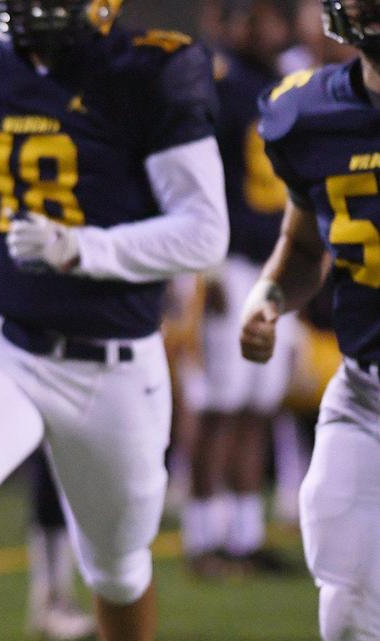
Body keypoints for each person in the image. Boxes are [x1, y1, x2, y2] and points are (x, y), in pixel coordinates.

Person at [0, 2, 229, 641]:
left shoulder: (145, 69)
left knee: (118, 569)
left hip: (115, 357)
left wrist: (83, 249)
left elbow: (204, 231)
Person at [242, 1, 380, 637]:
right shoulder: (310, 115)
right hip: (366, 395)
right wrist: (270, 296)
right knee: (348, 607)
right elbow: (302, 245)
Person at [182, 0, 297, 577]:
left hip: (277, 263)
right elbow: (196, 181)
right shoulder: (220, 83)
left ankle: (245, 536)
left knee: (260, 403)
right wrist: (206, 268)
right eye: (256, 17)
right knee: (221, 405)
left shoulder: (281, 83)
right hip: (228, 263)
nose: (269, 29)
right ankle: (204, 541)